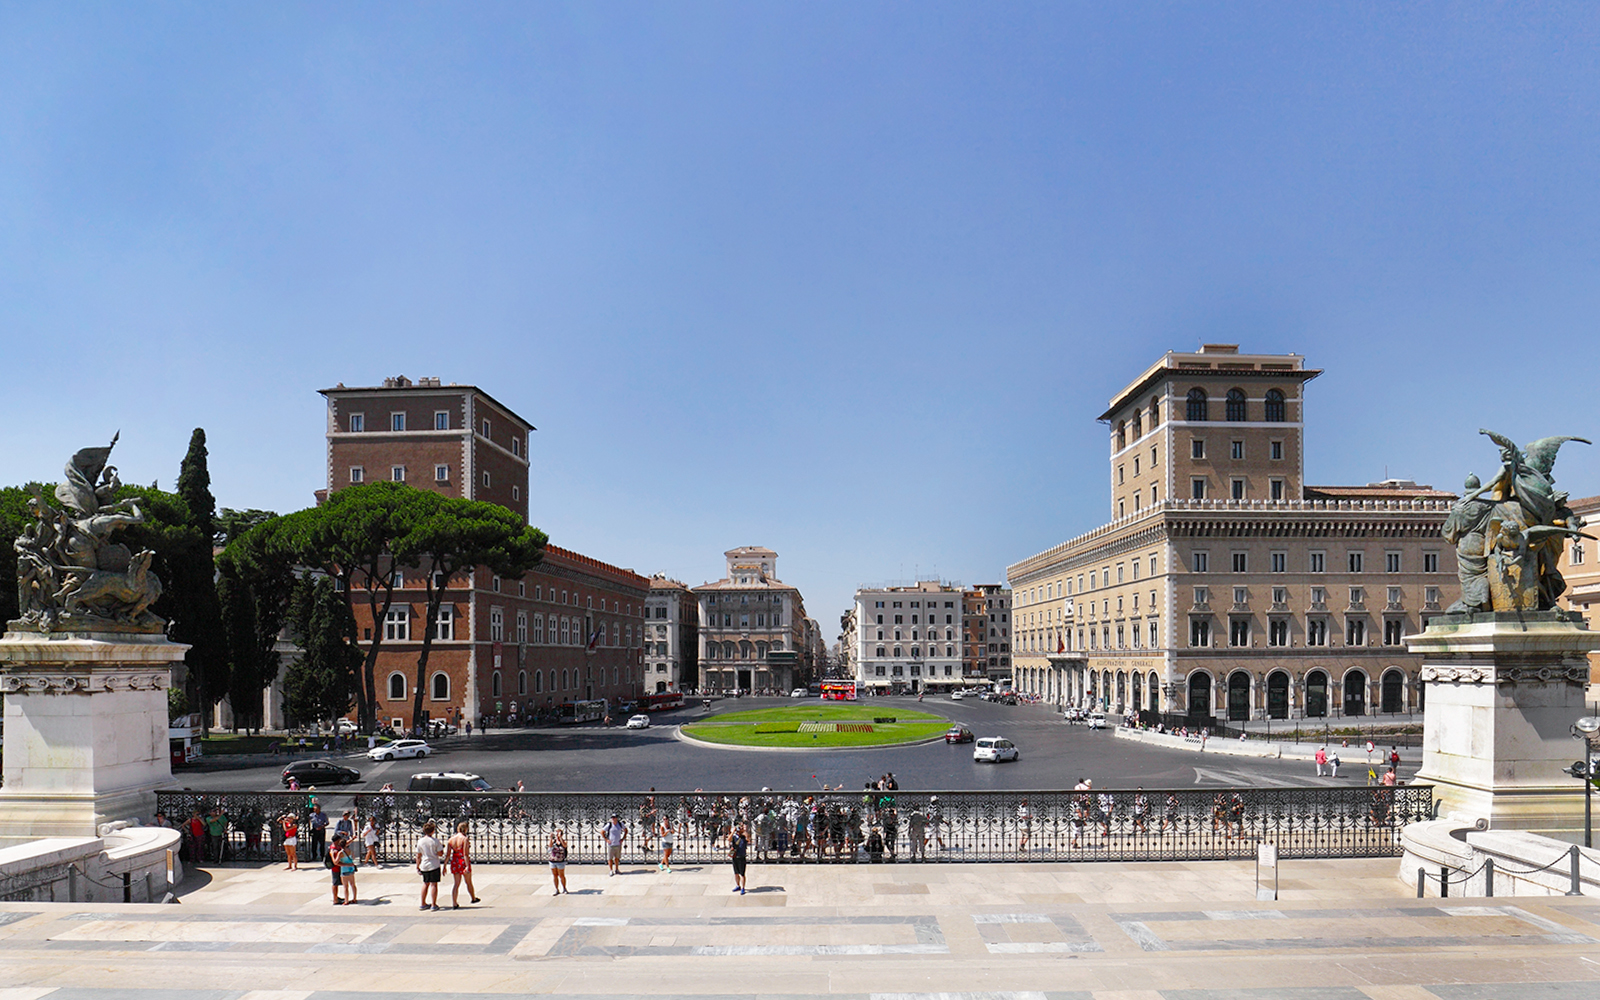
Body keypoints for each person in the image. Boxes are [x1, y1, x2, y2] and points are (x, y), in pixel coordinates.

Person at [447, 821, 480, 908]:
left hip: (455, 861)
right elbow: (465, 854)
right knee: (468, 882)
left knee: (456, 883)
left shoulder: (451, 839)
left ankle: (454, 902)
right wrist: (467, 866)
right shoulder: (464, 839)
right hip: (462, 860)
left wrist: (444, 866)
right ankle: (473, 898)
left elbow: (447, 854)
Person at [415, 820, 443, 911]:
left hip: (424, 864)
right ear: (433, 831)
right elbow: (440, 853)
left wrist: (417, 866)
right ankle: (434, 904)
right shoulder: (435, 841)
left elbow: (418, 855)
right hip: (434, 864)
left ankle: (422, 903)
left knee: (425, 883)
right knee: (433, 884)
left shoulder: (420, 841)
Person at [335, 833, 359, 904]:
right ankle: (354, 898)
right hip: (351, 869)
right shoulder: (350, 851)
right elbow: (354, 858)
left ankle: (346, 900)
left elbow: (336, 862)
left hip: (344, 870)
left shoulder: (340, 853)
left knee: (345, 887)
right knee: (353, 884)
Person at [729, 822, 749, 894]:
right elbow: (729, 839)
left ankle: (743, 887)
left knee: (742, 874)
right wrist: (733, 831)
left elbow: (748, 839)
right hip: (735, 856)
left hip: (742, 856)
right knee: (736, 873)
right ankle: (738, 885)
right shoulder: (734, 837)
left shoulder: (743, 837)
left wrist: (744, 830)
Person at [549, 828, 570, 895]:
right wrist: (551, 838)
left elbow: (564, 845)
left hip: (560, 861)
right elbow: (550, 846)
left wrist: (560, 838)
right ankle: (556, 889)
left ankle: (564, 888)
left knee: (561, 875)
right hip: (553, 860)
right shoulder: (553, 841)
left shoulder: (564, 841)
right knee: (555, 875)